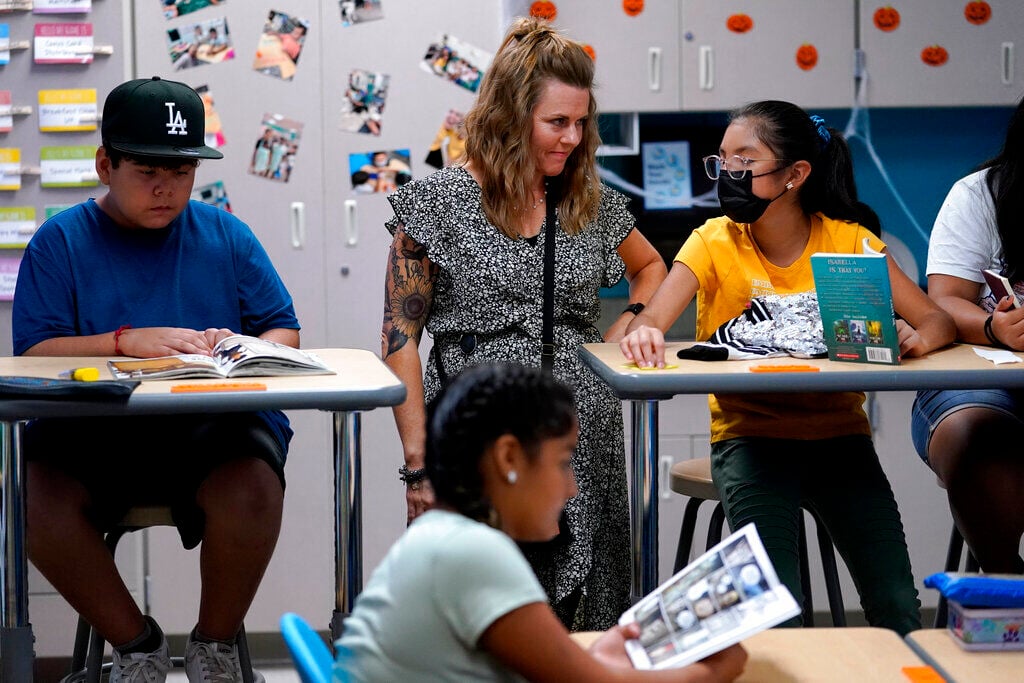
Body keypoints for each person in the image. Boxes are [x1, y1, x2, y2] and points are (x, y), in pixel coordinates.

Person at [618, 100, 956, 635]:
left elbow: (936, 317)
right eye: (722, 162)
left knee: (897, 604)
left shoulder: (849, 241)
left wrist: (914, 337)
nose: (728, 175)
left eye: (744, 162)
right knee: (779, 611)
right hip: (751, 439)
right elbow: (653, 318)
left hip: (840, 439)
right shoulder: (712, 240)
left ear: (795, 174)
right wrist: (648, 329)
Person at [379, 16, 667, 631]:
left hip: (581, 436)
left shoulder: (584, 197)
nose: (572, 137)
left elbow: (651, 267)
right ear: (511, 118)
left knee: (591, 619)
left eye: (581, 121)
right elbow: (399, 342)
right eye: (556, 122)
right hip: (480, 439)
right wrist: (420, 465)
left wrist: (629, 325)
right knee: (487, 616)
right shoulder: (434, 204)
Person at [12, 76, 299, 683]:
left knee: (253, 486)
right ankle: (136, 645)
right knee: (28, 499)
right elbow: (34, 352)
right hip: (91, 436)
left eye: (183, 170)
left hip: (208, 434)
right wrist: (125, 342)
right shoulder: (60, 241)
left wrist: (243, 349)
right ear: (104, 164)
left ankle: (212, 646)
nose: (167, 187)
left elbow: (283, 329)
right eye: (147, 170)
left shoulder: (225, 235)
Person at [334, 362, 748, 682]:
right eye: (563, 462)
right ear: (509, 458)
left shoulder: (441, 534)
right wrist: (715, 671)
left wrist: (598, 654)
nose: (573, 489)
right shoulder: (473, 553)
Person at [910, 95, 1024, 574]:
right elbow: (944, 302)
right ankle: (1004, 585)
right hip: (980, 380)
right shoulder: (981, 194)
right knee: (976, 437)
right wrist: (997, 328)